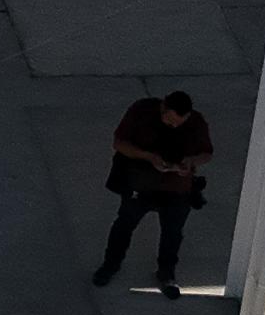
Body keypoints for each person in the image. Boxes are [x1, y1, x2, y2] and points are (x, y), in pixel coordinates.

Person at [93, 88, 218, 296]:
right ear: (163, 107)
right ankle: (110, 265)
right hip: (140, 184)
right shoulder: (141, 111)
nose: (174, 126)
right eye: (170, 121)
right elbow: (119, 143)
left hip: (177, 188)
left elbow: (207, 153)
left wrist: (190, 161)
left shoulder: (196, 122)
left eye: (179, 123)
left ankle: (167, 273)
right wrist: (149, 157)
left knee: (173, 232)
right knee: (125, 224)